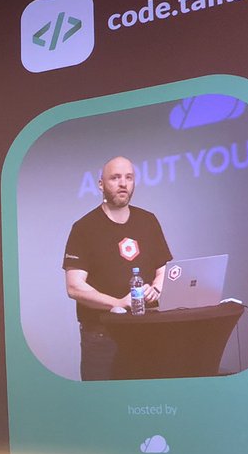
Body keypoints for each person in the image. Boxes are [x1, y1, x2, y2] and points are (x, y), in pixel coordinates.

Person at [63, 156, 172, 381]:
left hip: (148, 329)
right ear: (101, 184)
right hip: (102, 335)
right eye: (115, 178)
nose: (123, 183)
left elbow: (164, 269)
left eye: (128, 178)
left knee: (148, 396)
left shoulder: (148, 221)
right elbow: (74, 287)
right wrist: (118, 303)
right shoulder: (84, 228)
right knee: (104, 401)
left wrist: (156, 289)